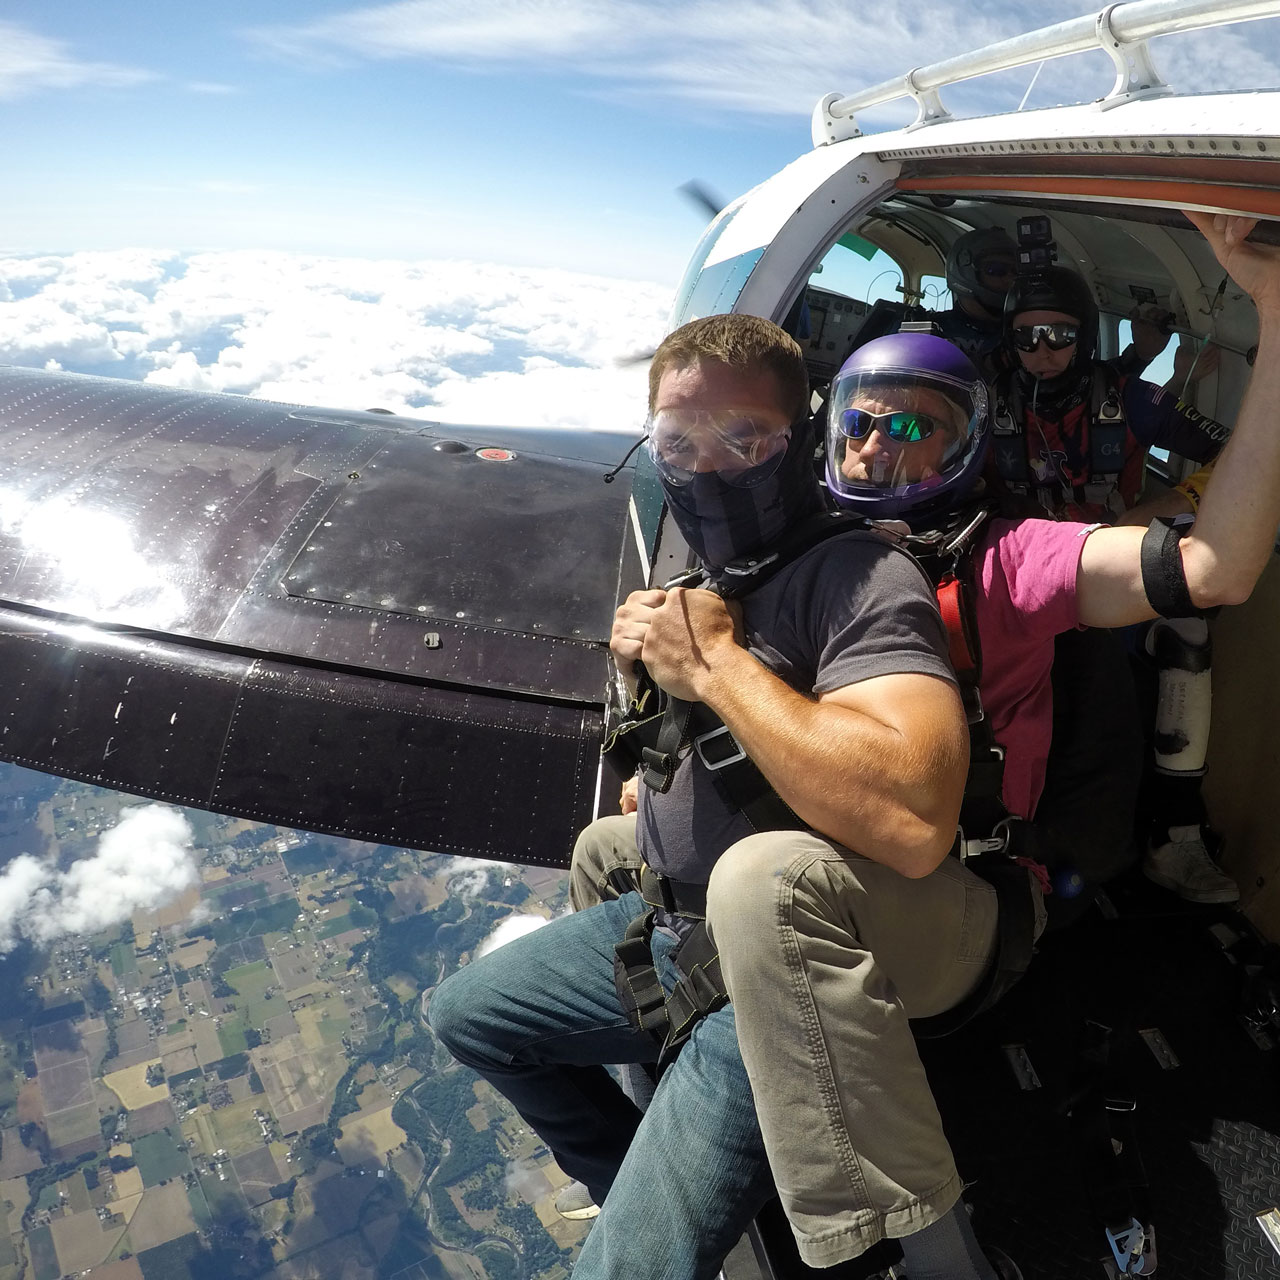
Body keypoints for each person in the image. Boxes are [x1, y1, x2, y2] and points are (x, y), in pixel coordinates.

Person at [556, 212, 1280, 1274]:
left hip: (954, 872)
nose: (872, 444)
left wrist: (1272, 314)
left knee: (764, 884)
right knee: (604, 856)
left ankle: (895, 1245)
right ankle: (676, 1115)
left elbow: (1212, 569)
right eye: (857, 421)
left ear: (970, 439)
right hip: (828, 837)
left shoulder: (1005, 560)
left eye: (913, 426)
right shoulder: (786, 539)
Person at [427, 311, 1027, 1279]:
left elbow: (914, 824)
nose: (707, 464)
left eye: (744, 439)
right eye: (678, 440)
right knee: (471, 1015)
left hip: (787, 965)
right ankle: (644, 1192)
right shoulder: (698, 554)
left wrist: (711, 664)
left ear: (798, 444)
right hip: (680, 929)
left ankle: (783, 1243)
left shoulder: (862, 576)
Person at [991, 260, 1238, 902]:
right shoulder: (986, 402)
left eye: (1060, 335)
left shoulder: (1129, 398)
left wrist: (1165, 506)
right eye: (1026, 338)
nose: (1042, 354)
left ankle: (1175, 840)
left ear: (1085, 336)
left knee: (1187, 631)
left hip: (1108, 573)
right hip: (1016, 580)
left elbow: (1234, 455)